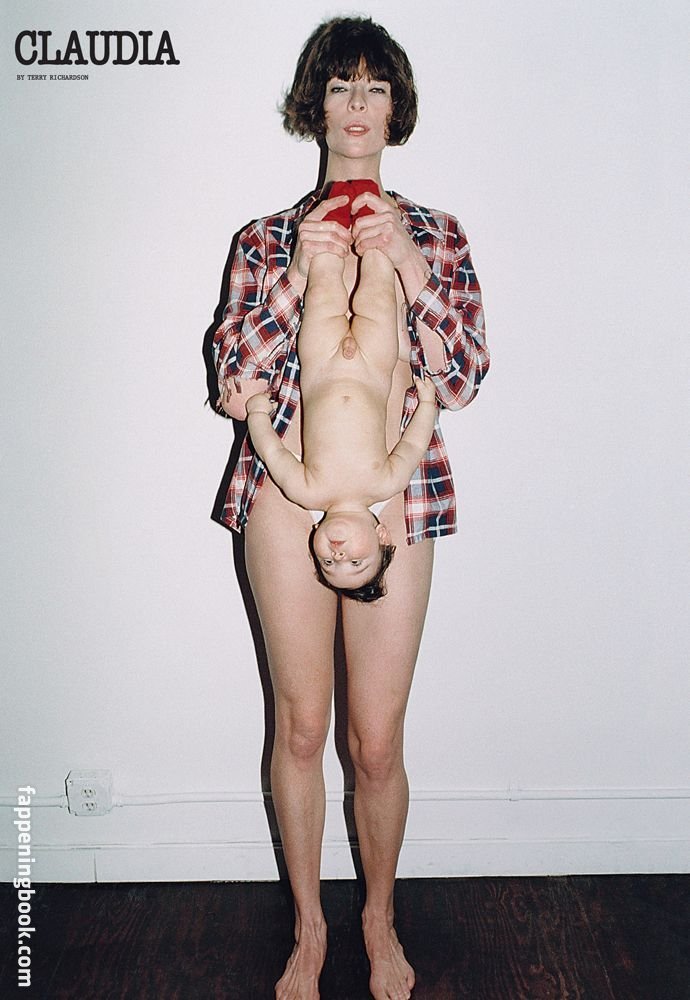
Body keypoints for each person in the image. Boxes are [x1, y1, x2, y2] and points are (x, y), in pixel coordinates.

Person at [213, 16, 489, 1000]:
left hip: (393, 495)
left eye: (375, 87)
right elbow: (233, 380)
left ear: (395, 108)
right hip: (282, 491)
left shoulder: (439, 232)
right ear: (316, 106)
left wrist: (409, 264)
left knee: (375, 739)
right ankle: (308, 926)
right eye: (341, 87)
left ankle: (377, 917)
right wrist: (297, 274)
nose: (358, 105)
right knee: (300, 727)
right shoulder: (263, 238)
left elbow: (464, 377)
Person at [245, 182, 438, 601]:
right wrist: (427, 403)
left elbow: (272, 452)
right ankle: (371, 216)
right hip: (374, 364)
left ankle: (333, 221)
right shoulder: (385, 484)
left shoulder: (306, 491)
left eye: (328, 564)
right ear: (382, 536)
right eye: (356, 562)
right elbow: (413, 443)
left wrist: (258, 415)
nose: (338, 555)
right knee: (378, 291)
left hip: (320, 363)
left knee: (324, 288)